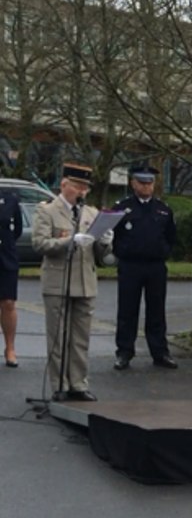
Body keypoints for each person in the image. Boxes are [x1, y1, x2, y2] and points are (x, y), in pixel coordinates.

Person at [31, 163, 113, 401]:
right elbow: (40, 244)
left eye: (85, 188)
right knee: (58, 336)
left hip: (85, 282)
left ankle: (78, 383)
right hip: (58, 281)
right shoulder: (47, 210)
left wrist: (106, 241)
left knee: (80, 338)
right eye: (77, 186)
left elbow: (100, 255)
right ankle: (59, 385)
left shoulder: (91, 213)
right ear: (64, 184)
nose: (81, 192)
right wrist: (69, 242)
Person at [111, 164, 178, 370]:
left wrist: (163, 251)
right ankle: (124, 351)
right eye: (142, 183)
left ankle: (160, 352)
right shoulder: (122, 208)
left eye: (150, 183)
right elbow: (114, 236)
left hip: (155, 266)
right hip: (130, 265)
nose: (146, 187)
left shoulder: (163, 209)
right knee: (127, 311)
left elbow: (171, 237)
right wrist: (122, 251)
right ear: (133, 183)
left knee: (156, 310)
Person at [0, 187, 22, 368]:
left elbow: (17, 230)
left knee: (8, 303)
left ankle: (10, 349)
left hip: (5, 256)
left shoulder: (10, 199)